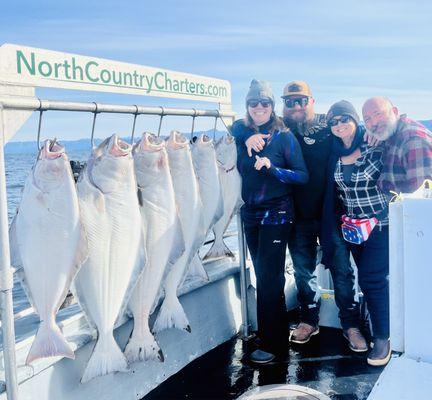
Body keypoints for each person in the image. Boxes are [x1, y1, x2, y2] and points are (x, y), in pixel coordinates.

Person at [254, 81, 365, 351]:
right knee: (304, 272)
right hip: (297, 216)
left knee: (341, 269)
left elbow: (355, 132)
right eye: (290, 102)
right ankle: (308, 320)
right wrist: (245, 135)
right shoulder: (280, 129)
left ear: (312, 101)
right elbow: (243, 125)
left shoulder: (329, 128)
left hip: (332, 213)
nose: (296, 106)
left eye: (301, 100)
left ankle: (350, 324)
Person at [231, 79, 308, 364]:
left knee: (268, 279)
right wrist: (243, 136)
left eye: (264, 103)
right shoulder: (242, 132)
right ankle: (271, 335)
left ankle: (274, 345)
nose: (259, 107)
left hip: (277, 214)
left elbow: (302, 175)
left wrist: (274, 169)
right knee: (265, 276)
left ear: (272, 106)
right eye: (254, 103)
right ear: (247, 107)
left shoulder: (284, 136)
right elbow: (231, 127)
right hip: (250, 215)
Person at [322, 100, 390, 366]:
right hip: (352, 229)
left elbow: (398, 135)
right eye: (333, 122)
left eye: (344, 119)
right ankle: (368, 322)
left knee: (373, 280)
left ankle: (382, 337)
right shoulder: (333, 150)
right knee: (363, 279)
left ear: (355, 120)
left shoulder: (375, 143)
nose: (339, 125)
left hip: (380, 225)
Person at [362, 96, 432, 196]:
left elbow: (423, 196)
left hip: (406, 210)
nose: (374, 123)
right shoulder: (389, 132)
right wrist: (372, 133)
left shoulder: (413, 141)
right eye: (367, 119)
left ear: (394, 112)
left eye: (378, 114)